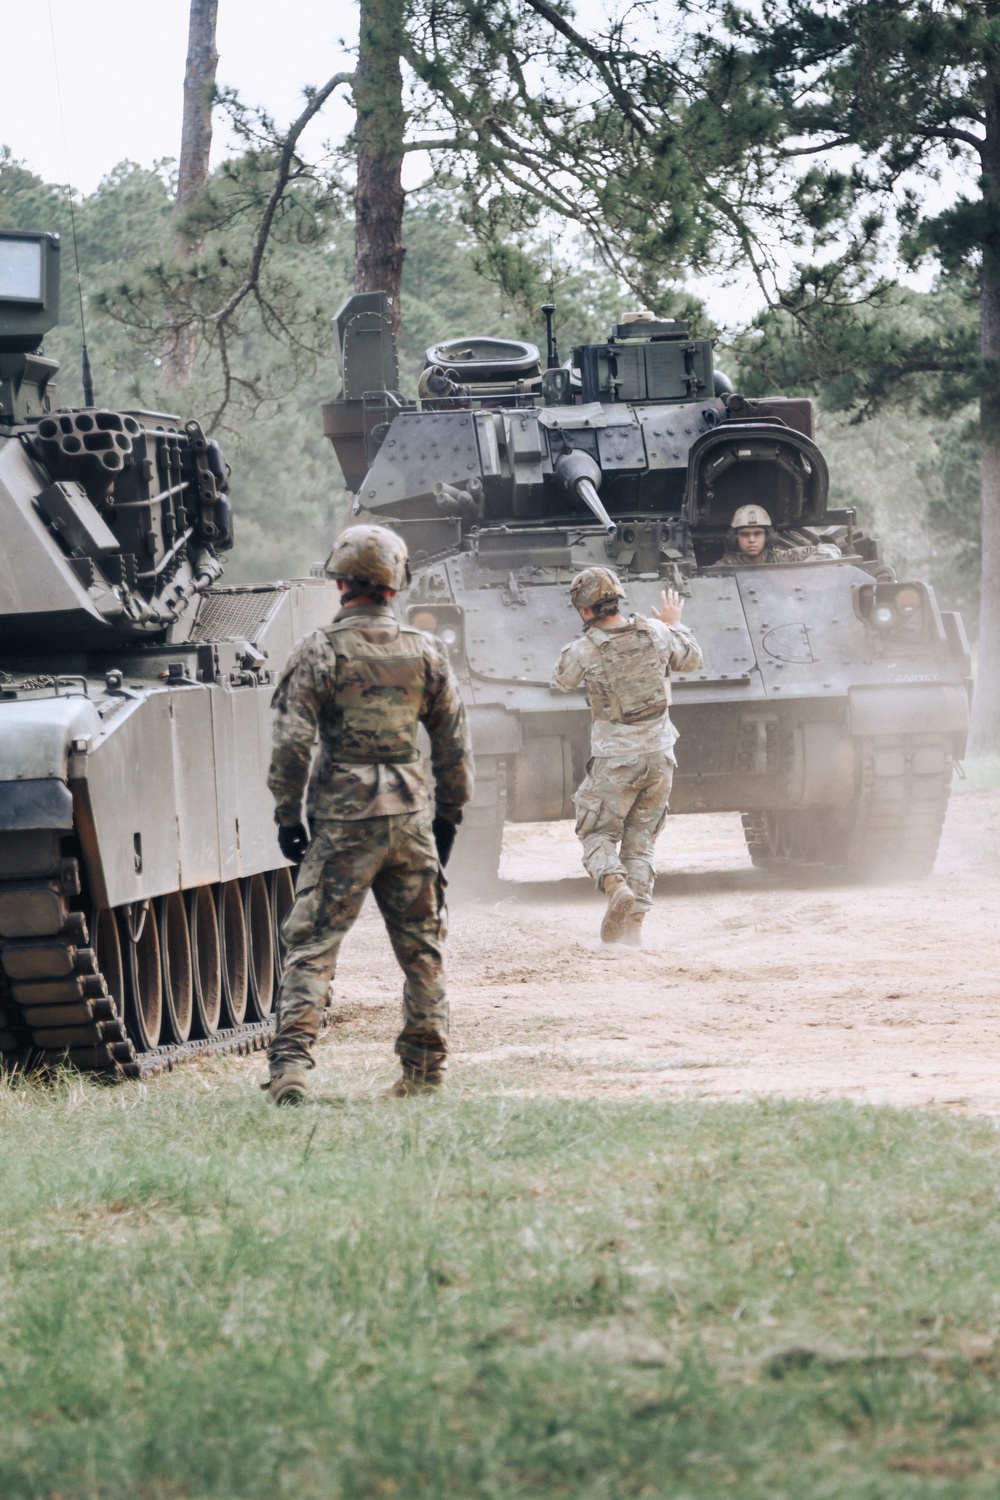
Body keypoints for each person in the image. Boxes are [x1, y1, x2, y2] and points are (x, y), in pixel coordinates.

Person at [263, 524, 473, 1105]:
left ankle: (291, 1071)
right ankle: (426, 1074)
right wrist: (448, 819)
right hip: (410, 817)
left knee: (313, 944)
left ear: (339, 581)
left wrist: (288, 815)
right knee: (422, 949)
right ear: (397, 584)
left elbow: (291, 743)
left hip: (343, 821)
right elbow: (455, 745)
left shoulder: (320, 650)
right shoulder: (427, 651)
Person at [550, 568, 702, 946]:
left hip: (615, 760)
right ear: (618, 599)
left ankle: (615, 885)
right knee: (641, 840)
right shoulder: (657, 631)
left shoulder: (584, 649)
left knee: (595, 831)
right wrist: (675, 624)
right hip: (660, 757)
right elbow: (692, 659)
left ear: (584, 611)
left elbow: (561, 681)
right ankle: (632, 928)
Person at [714, 505, 841, 566]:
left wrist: (801, 571)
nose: (752, 540)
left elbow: (830, 550)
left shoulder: (782, 558)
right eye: (745, 534)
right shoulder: (723, 567)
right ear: (735, 538)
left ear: (767, 537)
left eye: (757, 534)